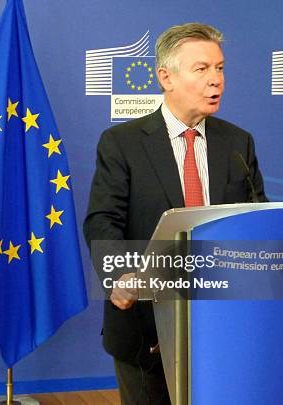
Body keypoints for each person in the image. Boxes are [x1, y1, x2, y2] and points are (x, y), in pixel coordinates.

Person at [84, 23, 267, 405]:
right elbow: (103, 220)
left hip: (223, 321)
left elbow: (257, 220)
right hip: (146, 323)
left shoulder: (238, 142)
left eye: (220, 68)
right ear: (165, 76)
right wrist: (120, 275)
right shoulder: (122, 143)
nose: (216, 80)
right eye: (202, 69)